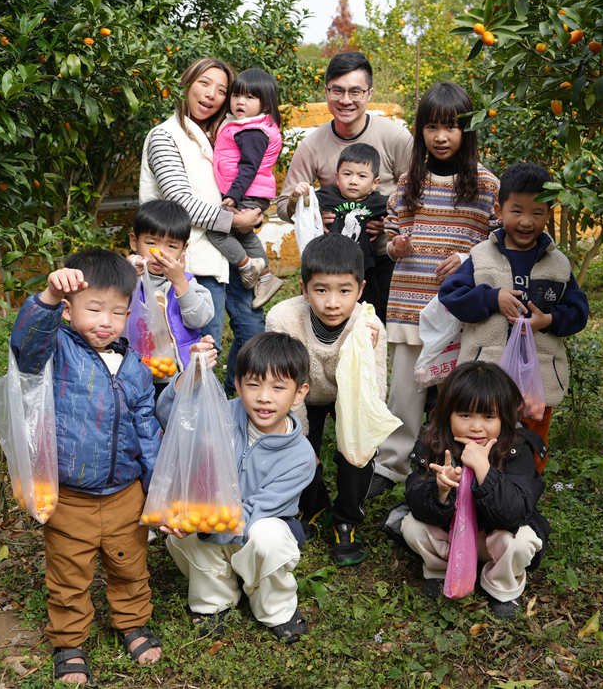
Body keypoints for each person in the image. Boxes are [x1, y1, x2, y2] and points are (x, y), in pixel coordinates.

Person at [9, 249, 163, 685]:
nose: (105, 321)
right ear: (71, 308)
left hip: (124, 495)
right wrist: (48, 297)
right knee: (68, 574)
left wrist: (158, 490)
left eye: (117, 312)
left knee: (131, 566)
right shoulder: (56, 349)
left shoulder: (134, 366)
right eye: (93, 308)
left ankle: (132, 623)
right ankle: (70, 641)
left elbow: (147, 430)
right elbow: (24, 346)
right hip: (70, 496)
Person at [368, 82, 501, 498]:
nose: (441, 137)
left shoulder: (486, 186)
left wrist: (465, 259)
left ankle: (456, 464)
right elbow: (391, 237)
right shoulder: (410, 182)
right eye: (431, 128)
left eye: (451, 127)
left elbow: (499, 243)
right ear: (420, 131)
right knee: (404, 393)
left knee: (456, 395)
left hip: (457, 312)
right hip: (410, 302)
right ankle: (390, 465)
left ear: (467, 131)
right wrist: (395, 246)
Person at [155, 332, 317, 643]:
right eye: (253, 384)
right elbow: (171, 418)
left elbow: (256, 512)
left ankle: (275, 607)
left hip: (257, 527)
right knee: (183, 537)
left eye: (278, 387)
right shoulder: (221, 413)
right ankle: (214, 600)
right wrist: (191, 376)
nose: (264, 397)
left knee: (267, 538)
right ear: (238, 385)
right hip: (214, 521)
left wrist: (202, 524)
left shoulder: (301, 458)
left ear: (299, 393)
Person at [438, 162, 590, 466]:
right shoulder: (481, 257)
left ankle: (523, 494)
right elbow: (451, 295)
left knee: (532, 440)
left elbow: (578, 311)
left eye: (537, 213)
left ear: (549, 213)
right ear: (499, 209)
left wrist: (548, 321)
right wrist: (493, 298)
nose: (526, 221)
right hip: (487, 374)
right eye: (517, 210)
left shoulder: (557, 265)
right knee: (484, 434)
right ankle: (483, 486)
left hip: (539, 378)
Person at [139, 58, 265, 397]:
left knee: (253, 334)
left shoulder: (219, 136)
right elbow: (179, 200)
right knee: (200, 351)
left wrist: (254, 210)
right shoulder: (165, 136)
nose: (212, 95)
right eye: (204, 83)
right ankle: (190, 420)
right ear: (187, 83)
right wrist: (233, 220)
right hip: (190, 263)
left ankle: (229, 403)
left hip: (226, 254)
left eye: (222, 90)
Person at [265, 234, 387, 566]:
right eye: (321, 290)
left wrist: (366, 348)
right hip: (300, 394)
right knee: (294, 451)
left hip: (349, 395)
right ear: (303, 289)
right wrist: (303, 445)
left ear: (360, 290)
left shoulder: (369, 324)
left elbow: (372, 396)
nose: (332, 302)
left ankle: (347, 517)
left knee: (358, 452)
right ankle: (314, 504)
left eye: (344, 291)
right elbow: (282, 387)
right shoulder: (282, 320)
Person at [399, 361, 550, 619]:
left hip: (493, 537)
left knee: (522, 539)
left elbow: (515, 512)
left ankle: (501, 585)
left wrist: (484, 470)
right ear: (448, 413)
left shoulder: (517, 448)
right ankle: (440, 569)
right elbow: (416, 500)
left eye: (489, 417)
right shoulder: (435, 441)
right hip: (452, 534)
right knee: (411, 525)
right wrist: (440, 491)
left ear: (504, 416)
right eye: (465, 415)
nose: (476, 427)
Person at [278, 51, 413, 323]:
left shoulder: (396, 137)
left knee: (385, 332)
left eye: (355, 91)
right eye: (337, 91)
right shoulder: (312, 145)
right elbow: (283, 208)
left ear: (369, 93)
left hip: (388, 258)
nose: (345, 100)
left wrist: (389, 221)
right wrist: (309, 209)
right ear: (326, 91)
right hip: (338, 264)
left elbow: (416, 194)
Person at [208, 68, 285, 308]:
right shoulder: (244, 126)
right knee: (244, 232)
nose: (240, 101)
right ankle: (266, 277)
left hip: (246, 191)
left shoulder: (253, 131)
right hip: (250, 191)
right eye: (236, 95)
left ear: (265, 103)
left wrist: (233, 195)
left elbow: (248, 168)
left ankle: (248, 267)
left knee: (217, 231)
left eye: (250, 97)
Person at [128, 199, 215, 399]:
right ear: (134, 242)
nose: (160, 252)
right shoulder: (127, 278)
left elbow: (200, 319)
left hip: (180, 376)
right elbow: (110, 307)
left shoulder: (188, 283)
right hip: (136, 375)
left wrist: (180, 282)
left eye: (171, 246)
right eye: (151, 243)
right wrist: (126, 275)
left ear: (183, 249)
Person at [292, 143, 388, 274]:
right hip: (328, 261)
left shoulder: (378, 202)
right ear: (337, 178)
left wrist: (385, 225)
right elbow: (305, 207)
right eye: (347, 174)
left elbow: (401, 212)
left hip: (362, 265)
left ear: (374, 183)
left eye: (362, 176)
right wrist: (298, 195)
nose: (353, 181)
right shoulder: (327, 196)